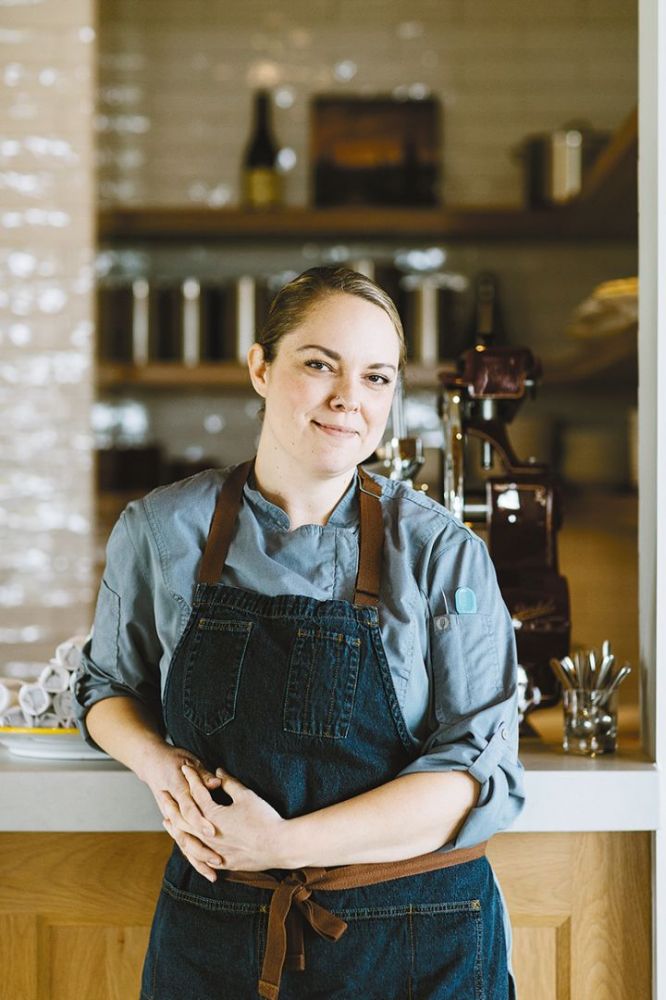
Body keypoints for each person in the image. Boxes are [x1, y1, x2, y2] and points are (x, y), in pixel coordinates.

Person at [75, 265, 524, 1000]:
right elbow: (105, 685)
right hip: (218, 924)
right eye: (319, 365)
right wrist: (163, 769)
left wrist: (282, 843)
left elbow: (477, 774)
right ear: (260, 366)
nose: (349, 398)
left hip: (417, 935)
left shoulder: (444, 553)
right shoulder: (160, 529)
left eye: (377, 378)